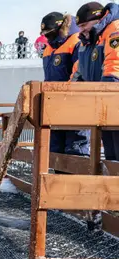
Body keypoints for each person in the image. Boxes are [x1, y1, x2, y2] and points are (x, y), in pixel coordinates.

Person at [71, 1, 119, 161]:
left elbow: (115, 65)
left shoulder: (115, 30)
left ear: (98, 18)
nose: (81, 30)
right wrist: (66, 93)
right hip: (104, 108)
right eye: (79, 26)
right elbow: (79, 71)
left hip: (113, 101)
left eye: (84, 24)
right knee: (111, 157)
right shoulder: (89, 42)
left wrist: (105, 95)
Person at [41, 12, 90, 159]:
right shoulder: (49, 48)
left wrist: (66, 94)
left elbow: (79, 73)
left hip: (74, 102)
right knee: (55, 150)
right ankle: (56, 180)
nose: (47, 38)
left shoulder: (76, 42)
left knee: (76, 147)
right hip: (55, 105)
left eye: (49, 34)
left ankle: (77, 181)